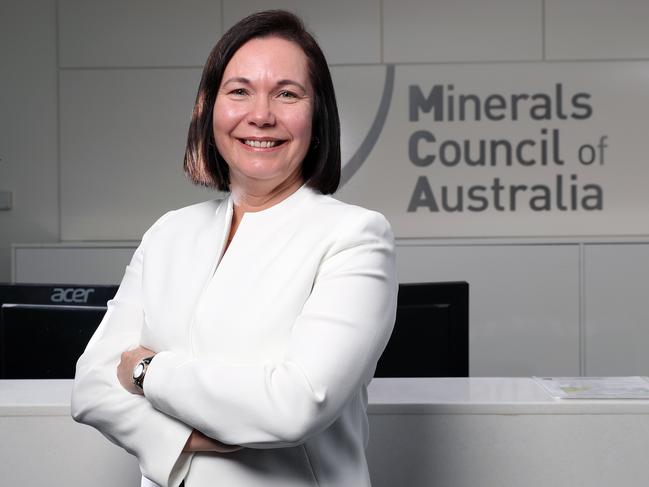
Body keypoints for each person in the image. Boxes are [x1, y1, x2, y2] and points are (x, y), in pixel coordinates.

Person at [71, 10, 397, 487]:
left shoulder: (355, 236)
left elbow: (296, 405)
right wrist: (185, 438)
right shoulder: (169, 233)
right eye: (239, 91)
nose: (261, 115)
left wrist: (145, 371)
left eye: (287, 93)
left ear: (317, 114)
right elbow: (90, 389)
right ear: (209, 109)